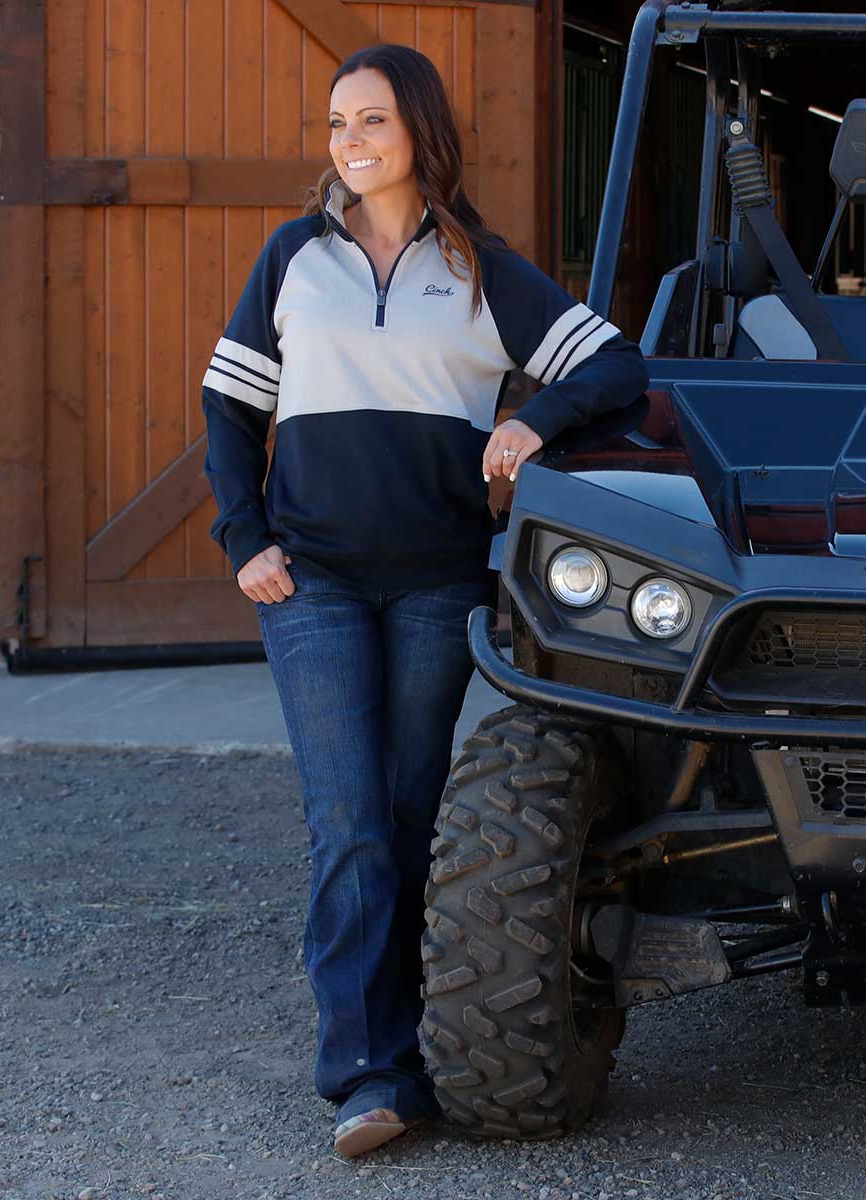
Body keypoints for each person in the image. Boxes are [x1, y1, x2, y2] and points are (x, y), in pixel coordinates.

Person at [199, 43, 648, 1158]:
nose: (349, 140)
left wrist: (532, 420)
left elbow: (613, 365)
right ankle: (366, 1073)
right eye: (337, 121)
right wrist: (244, 538)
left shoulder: (481, 269)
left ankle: (423, 1054)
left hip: (439, 584)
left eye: (372, 119)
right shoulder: (294, 257)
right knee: (348, 820)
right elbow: (229, 407)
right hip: (312, 580)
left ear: (421, 133)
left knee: (412, 817)